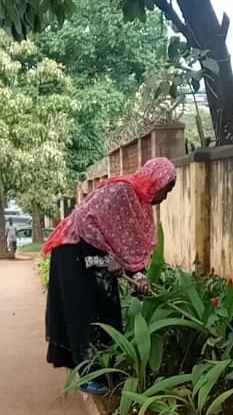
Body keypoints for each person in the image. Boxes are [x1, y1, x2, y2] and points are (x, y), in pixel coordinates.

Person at [43, 157, 177, 394]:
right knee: (85, 311)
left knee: (109, 308)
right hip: (74, 250)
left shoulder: (140, 206)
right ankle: (87, 374)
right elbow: (86, 220)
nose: (165, 197)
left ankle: (107, 371)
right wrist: (108, 257)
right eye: (166, 189)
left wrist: (139, 276)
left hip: (96, 254)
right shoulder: (121, 191)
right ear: (155, 182)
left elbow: (129, 244)